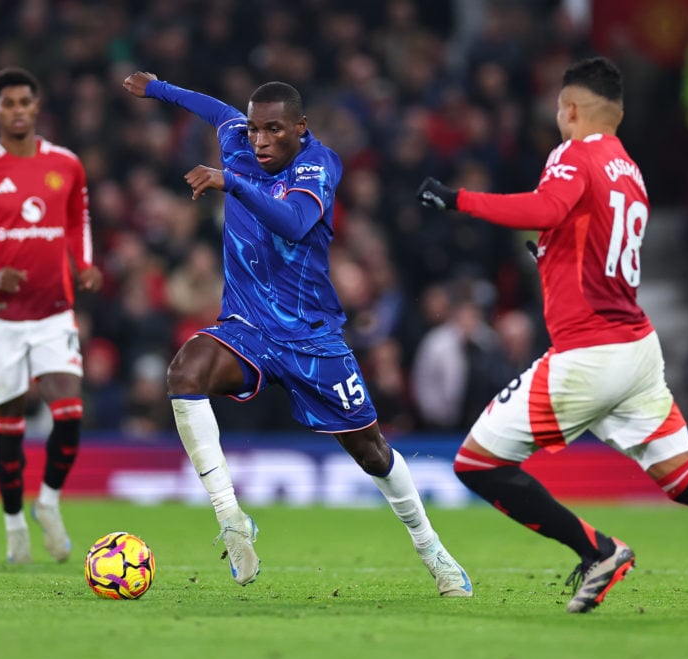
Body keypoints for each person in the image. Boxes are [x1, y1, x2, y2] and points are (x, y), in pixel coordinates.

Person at [416, 56, 688, 615]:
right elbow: (585, 241)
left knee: (477, 463)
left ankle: (598, 550)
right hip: (637, 351)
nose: (556, 116)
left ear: (572, 109)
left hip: (590, 353)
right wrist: (551, 257)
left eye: (559, 106)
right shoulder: (629, 168)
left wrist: (458, 200)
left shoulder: (573, 154)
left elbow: (546, 207)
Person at [122, 71, 471, 596]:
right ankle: (232, 518)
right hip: (248, 327)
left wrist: (230, 182)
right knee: (184, 371)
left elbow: (294, 221)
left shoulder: (319, 164)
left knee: (373, 452)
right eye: (255, 129)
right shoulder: (237, 138)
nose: (259, 140)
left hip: (312, 339)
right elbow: (215, 108)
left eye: (273, 130)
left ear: (301, 128)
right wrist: (158, 88)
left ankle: (434, 551)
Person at [0, 67, 103, 564]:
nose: (17, 110)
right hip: (3, 321)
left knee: (70, 414)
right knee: (9, 424)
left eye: (24, 102)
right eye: (7, 103)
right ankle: (14, 524)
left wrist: (85, 264)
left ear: (37, 107)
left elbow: (79, 218)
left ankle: (48, 502)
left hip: (55, 313)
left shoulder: (67, 164)